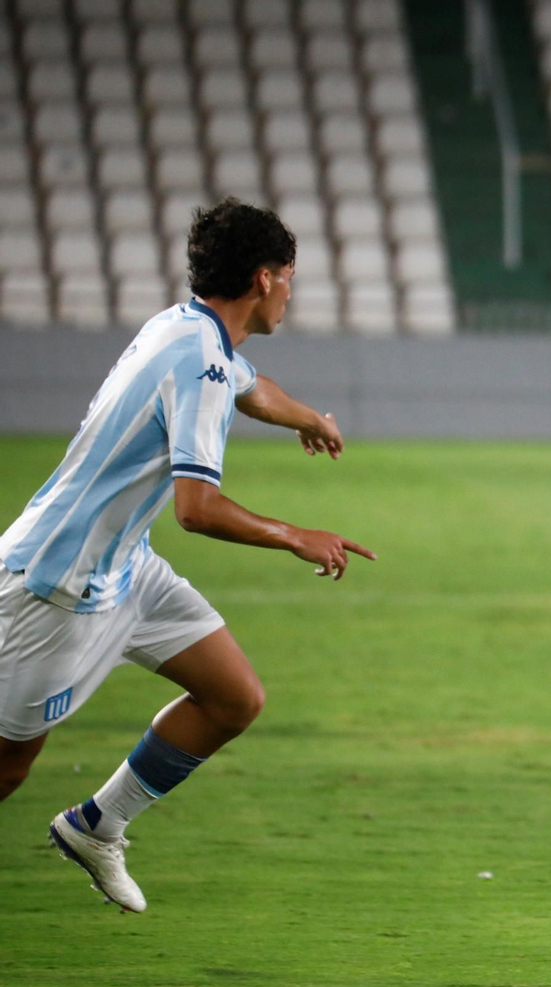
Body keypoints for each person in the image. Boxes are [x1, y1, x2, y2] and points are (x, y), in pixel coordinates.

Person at [0, 198, 375, 912]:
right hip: (56, 584)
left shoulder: (187, 330)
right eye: (291, 277)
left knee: (234, 697)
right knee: (10, 766)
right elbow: (196, 510)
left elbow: (250, 385)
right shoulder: (199, 359)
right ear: (264, 279)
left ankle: (96, 825)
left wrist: (308, 418)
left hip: (123, 568)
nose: (293, 292)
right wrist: (297, 535)